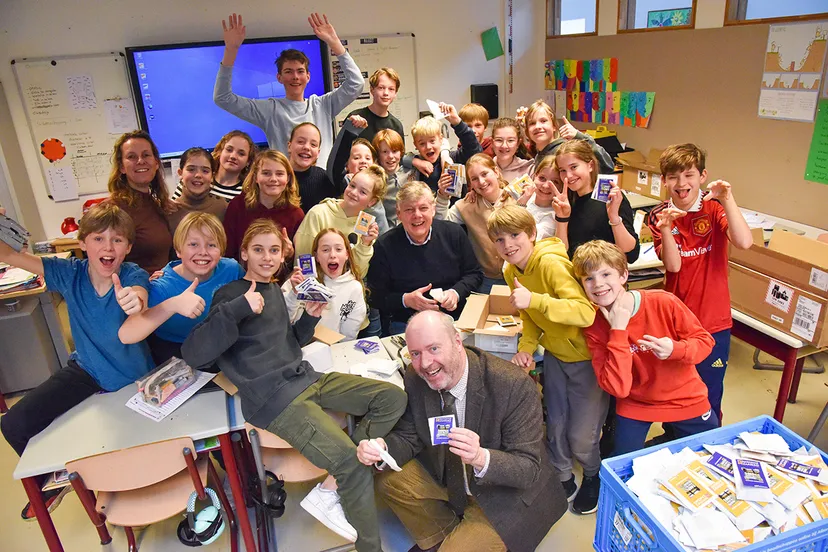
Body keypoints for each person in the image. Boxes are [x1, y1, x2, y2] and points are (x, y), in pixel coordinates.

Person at [182, 219, 407, 552]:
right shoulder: (229, 294)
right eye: (258, 250)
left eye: (274, 250)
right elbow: (194, 353)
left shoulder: (275, 290)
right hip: (275, 399)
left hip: (305, 378)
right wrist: (240, 307)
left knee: (392, 398)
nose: (267, 257)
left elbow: (289, 344)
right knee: (351, 465)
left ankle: (336, 484)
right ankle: (368, 542)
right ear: (244, 253)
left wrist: (310, 318)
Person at [356, 311, 567, 552]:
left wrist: (480, 457)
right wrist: (383, 449)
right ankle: (441, 536)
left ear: (457, 342)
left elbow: (528, 469)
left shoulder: (512, 385)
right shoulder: (417, 378)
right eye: (415, 353)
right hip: (452, 479)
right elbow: (410, 434)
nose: (425, 364)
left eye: (434, 348)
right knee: (389, 479)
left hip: (502, 495)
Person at [0, 203, 154, 520]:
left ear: (127, 247)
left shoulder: (132, 273)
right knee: (13, 423)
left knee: (133, 462)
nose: (107, 247)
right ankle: (53, 481)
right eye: (98, 239)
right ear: (83, 243)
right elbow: (10, 256)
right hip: (85, 371)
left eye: (117, 240)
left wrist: (133, 301)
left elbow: (139, 298)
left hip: (132, 380)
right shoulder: (69, 273)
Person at [487, 206, 605, 514]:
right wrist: (526, 347)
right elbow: (530, 318)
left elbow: (584, 312)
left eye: (515, 236)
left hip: (585, 359)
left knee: (581, 434)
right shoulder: (511, 270)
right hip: (554, 356)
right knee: (554, 422)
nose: (508, 245)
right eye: (499, 240)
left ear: (532, 235)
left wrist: (536, 299)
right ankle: (563, 477)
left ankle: (594, 475)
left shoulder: (550, 264)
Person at [573, 240, 718, 456]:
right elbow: (618, 388)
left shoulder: (663, 302)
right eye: (589, 279)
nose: (598, 284)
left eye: (605, 275)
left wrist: (676, 350)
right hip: (635, 403)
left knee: (713, 455)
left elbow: (705, 342)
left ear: (623, 276)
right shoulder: (594, 327)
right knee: (621, 463)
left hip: (685, 398)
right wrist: (618, 331)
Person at [646, 144, 752, 427]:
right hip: (677, 322)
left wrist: (728, 199)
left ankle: (709, 440)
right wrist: (667, 228)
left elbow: (744, 242)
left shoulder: (714, 208)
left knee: (710, 391)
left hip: (714, 322)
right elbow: (674, 266)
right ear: (664, 180)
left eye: (689, 175)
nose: (682, 184)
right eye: (673, 177)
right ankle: (676, 435)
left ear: (702, 176)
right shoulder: (658, 216)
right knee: (676, 389)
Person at [214, 12, 363, 166]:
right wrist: (230, 51)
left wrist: (334, 43)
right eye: (288, 72)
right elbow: (223, 98)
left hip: (322, 185)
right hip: (285, 185)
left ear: (308, 76)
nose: (295, 77)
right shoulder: (270, 110)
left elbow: (356, 84)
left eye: (300, 71)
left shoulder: (322, 105)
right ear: (279, 78)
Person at [119, 212, 245, 365]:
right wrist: (173, 304)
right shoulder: (162, 286)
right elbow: (126, 335)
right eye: (193, 244)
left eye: (212, 245)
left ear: (222, 250)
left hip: (222, 346)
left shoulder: (232, 269)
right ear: (178, 250)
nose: (203, 252)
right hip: (176, 353)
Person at [367, 182, 483, 336]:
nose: (417, 215)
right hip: (407, 321)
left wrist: (456, 292)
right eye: (409, 209)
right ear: (399, 213)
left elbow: (474, 274)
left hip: (455, 318)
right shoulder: (384, 245)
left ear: (433, 209)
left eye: (423, 208)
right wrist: (406, 300)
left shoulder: (454, 233)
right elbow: (375, 296)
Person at [435, 153, 514, 293]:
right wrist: (442, 195)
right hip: (486, 280)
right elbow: (441, 223)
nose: (481, 181)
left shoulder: (516, 198)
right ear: (470, 184)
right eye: (474, 179)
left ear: (496, 172)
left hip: (517, 276)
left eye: (485, 174)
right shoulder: (467, 205)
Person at [553, 139, 640, 263]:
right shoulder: (567, 201)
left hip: (607, 275)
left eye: (574, 167)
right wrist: (562, 218)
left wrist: (614, 217)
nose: (569, 175)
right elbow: (562, 254)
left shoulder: (611, 198)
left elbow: (631, 254)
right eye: (563, 170)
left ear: (590, 165)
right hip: (578, 276)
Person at [293, 165, 386, 276]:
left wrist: (365, 244)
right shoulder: (318, 213)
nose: (353, 192)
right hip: (316, 286)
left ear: (372, 202)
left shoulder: (365, 226)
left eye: (363, 192)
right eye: (352, 185)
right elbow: (304, 257)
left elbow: (359, 274)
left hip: (347, 288)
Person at [107, 130, 173, 274]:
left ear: (156, 162)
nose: (140, 161)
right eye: (132, 156)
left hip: (163, 288)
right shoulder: (113, 210)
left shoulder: (157, 204)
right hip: (136, 292)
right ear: (122, 167)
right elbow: (104, 265)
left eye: (146, 155)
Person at [283, 228, 367, 340]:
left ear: (347, 254)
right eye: (325, 250)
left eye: (338, 249)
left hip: (331, 350)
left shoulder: (354, 288)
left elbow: (348, 336)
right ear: (316, 256)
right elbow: (282, 322)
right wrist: (294, 294)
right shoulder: (298, 281)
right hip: (295, 348)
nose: (332, 255)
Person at [223, 150, 304, 261]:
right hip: (241, 275)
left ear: (288, 178)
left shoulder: (296, 214)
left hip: (280, 277)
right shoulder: (237, 206)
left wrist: (290, 253)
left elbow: (300, 262)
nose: (273, 179)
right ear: (256, 177)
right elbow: (227, 252)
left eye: (279, 174)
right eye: (266, 173)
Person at [404, 104, 482, 194]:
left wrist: (457, 123)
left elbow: (474, 150)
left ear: (441, 139)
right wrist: (415, 161)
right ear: (415, 145)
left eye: (432, 141)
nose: (428, 147)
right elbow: (396, 158)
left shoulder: (453, 158)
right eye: (422, 143)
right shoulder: (416, 167)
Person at [522, 100, 612, 173]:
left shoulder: (564, 151)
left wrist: (579, 136)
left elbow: (607, 166)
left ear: (554, 126)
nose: (537, 127)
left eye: (543, 121)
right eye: (532, 123)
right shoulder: (540, 154)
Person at [172, 130, 256, 202]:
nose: (233, 156)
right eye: (229, 150)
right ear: (220, 151)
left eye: (241, 154)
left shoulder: (247, 194)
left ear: (248, 161)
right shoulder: (193, 181)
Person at [167, 147, 228, 234]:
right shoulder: (170, 211)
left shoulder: (223, 208)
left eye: (205, 171)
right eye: (191, 169)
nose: (198, 175)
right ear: (180, 173)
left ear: (212, 177)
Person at [287, 122, 337, 213]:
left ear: (318, 153)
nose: (306, 147)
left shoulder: (325, 179)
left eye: (313, 144)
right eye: (300, 142)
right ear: (289, 146)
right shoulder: (277, 177)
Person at [346, 68, 405, 142]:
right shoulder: (355, 118)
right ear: (372, 90)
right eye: (381, 88)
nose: (386, 93)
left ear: (395, 93)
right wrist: (349, 126)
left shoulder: (396, 126)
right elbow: (340, 151)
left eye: (391, 89)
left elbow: (399, 152)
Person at [372, 129, 410, 228]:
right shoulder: (376, 180)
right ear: (378, 155)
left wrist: (413, 160)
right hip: (389, 232)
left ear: (401, 152)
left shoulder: (413, 170)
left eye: (394, 151)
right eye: (385, 152)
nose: (390, 156)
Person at [525, 156, 559, 240]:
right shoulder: (526, 194)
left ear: (561, 187)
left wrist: (521, 204)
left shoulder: (553, 216)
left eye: (555, 182)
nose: (546, 186)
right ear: (534, 176)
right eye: (542, 178)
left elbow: (527, 239)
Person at [491, 117, 533, 182]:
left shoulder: (528, 169)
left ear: (518, 143)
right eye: (499, 140)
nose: (504, 146)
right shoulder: (485, 168)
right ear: (492, 142)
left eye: (510, 140)